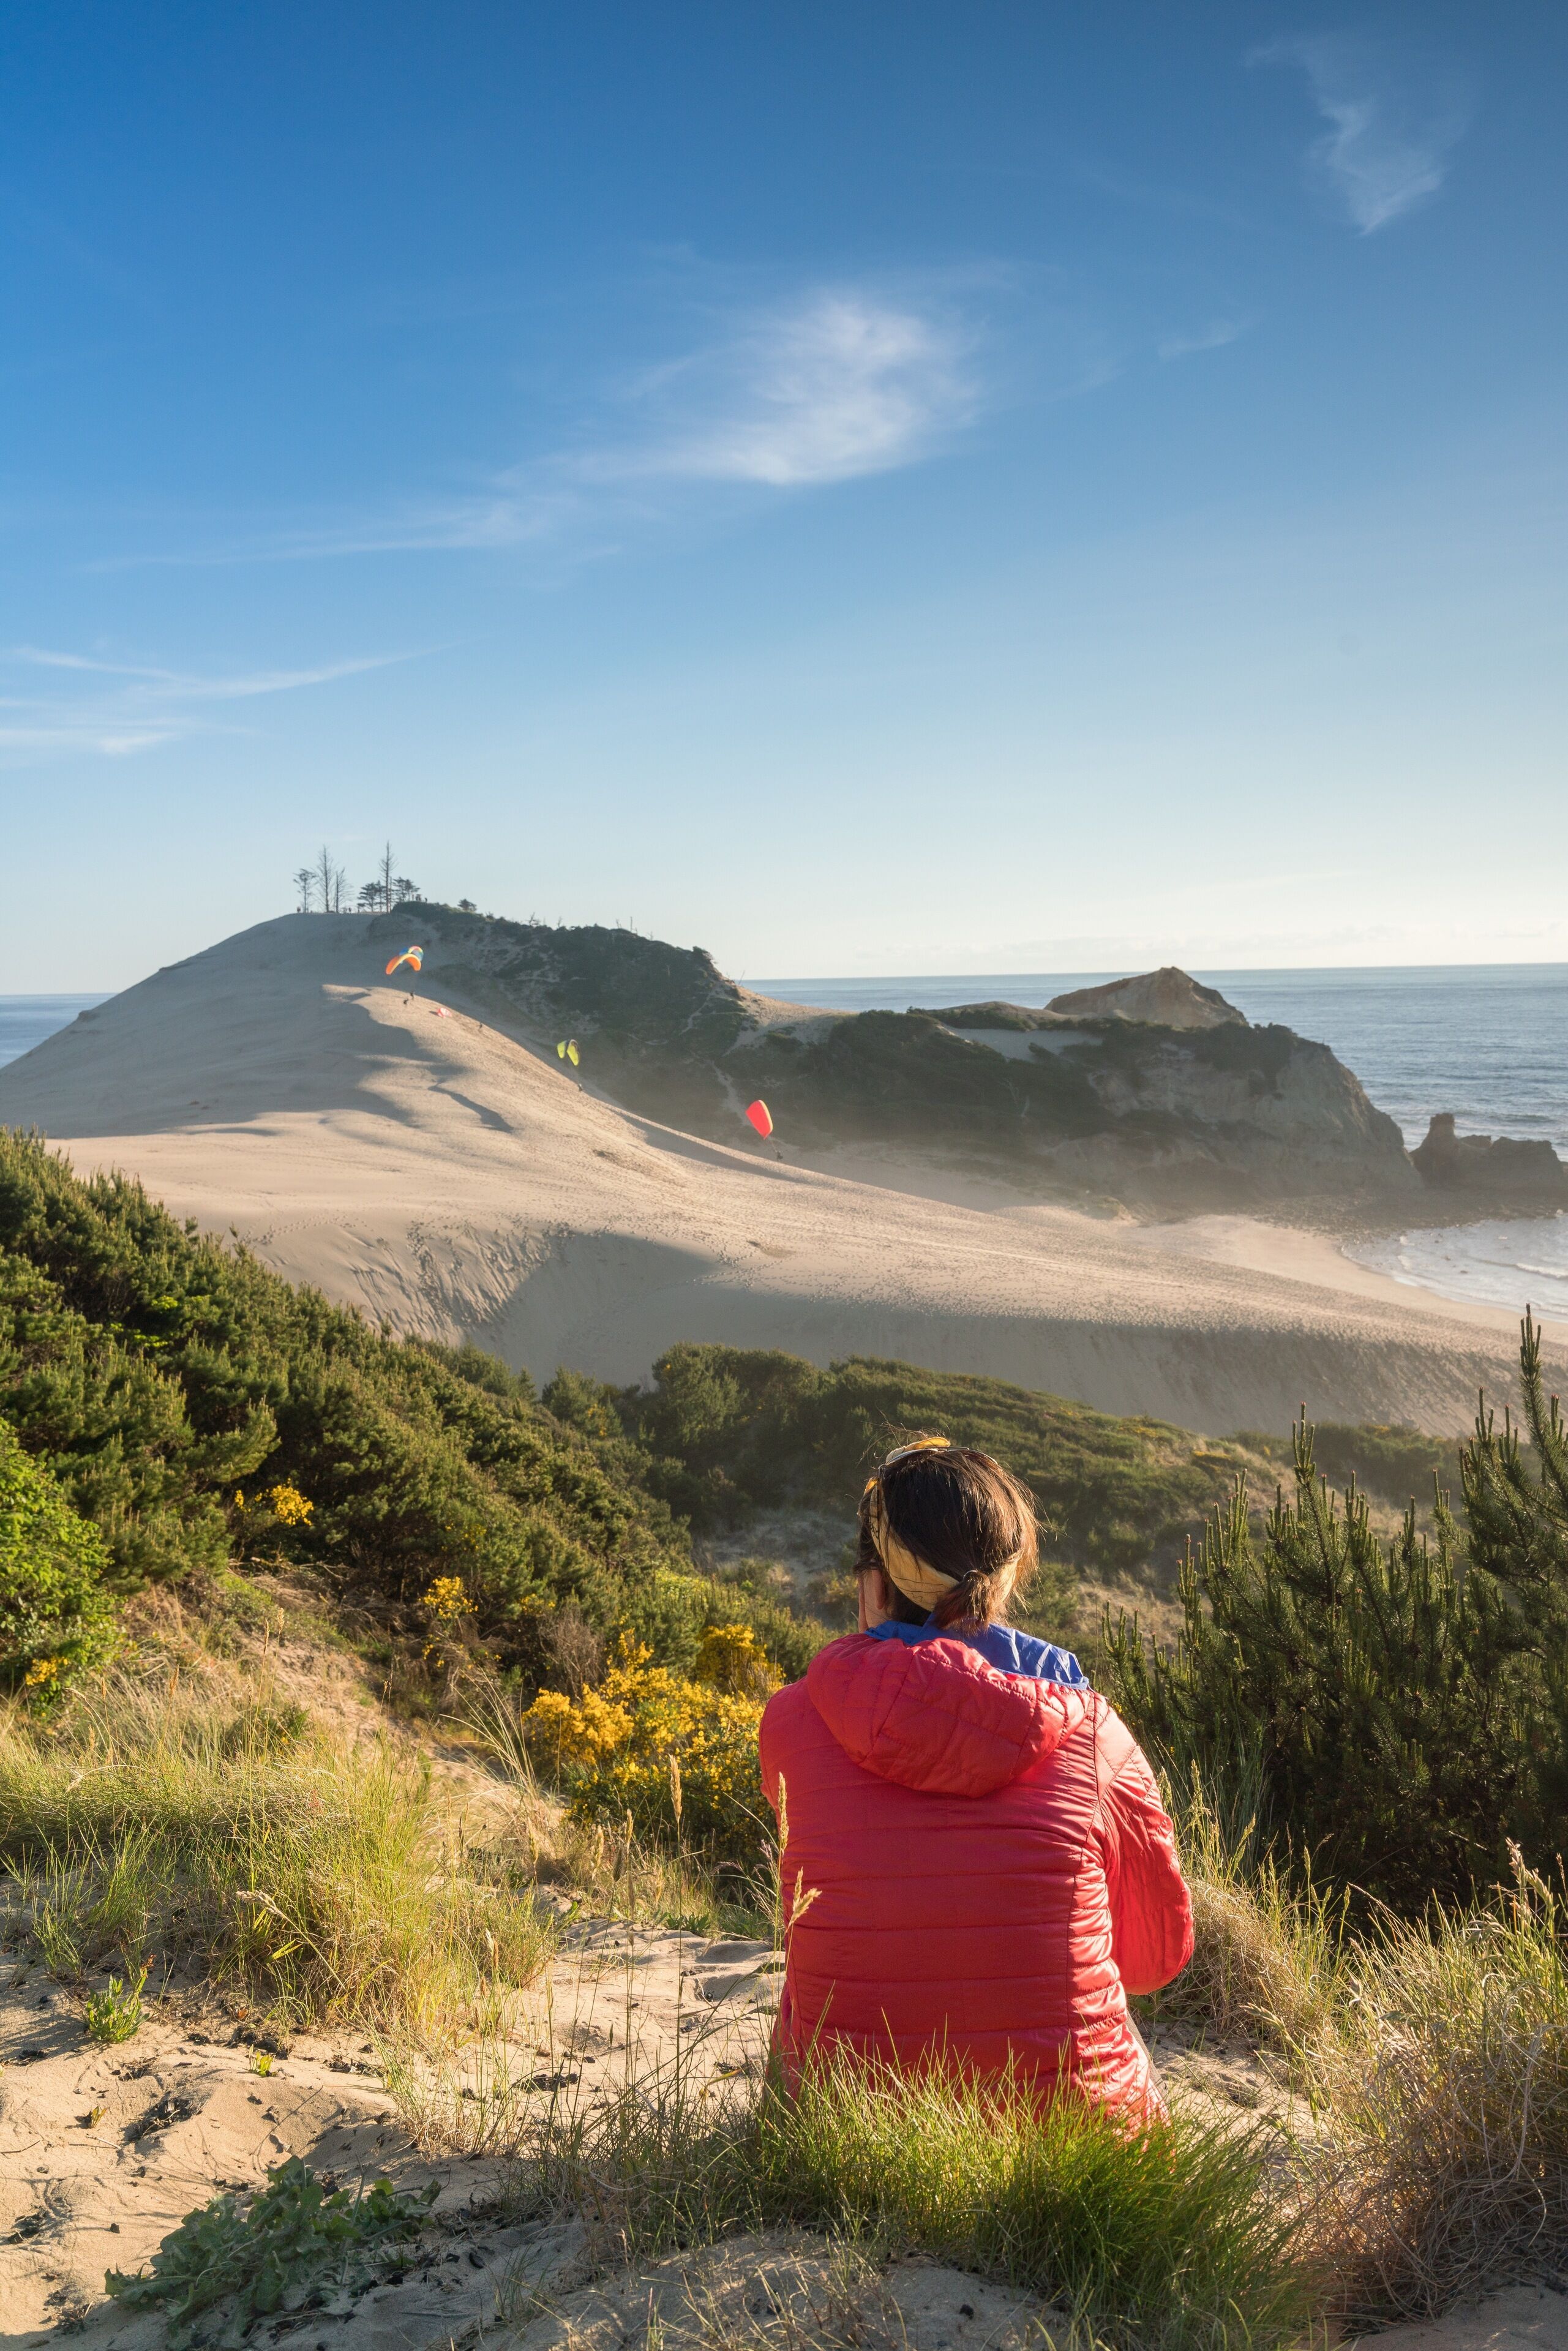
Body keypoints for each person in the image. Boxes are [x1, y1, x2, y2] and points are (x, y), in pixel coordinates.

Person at [758, 1436, 1193, 2123]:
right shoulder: (1093, 1733)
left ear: (873, 1583)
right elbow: (1154, 1959)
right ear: (1003, 1580)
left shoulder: (790, 1722)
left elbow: (812, 1921)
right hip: (1073, 2152)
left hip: (840, 2138)